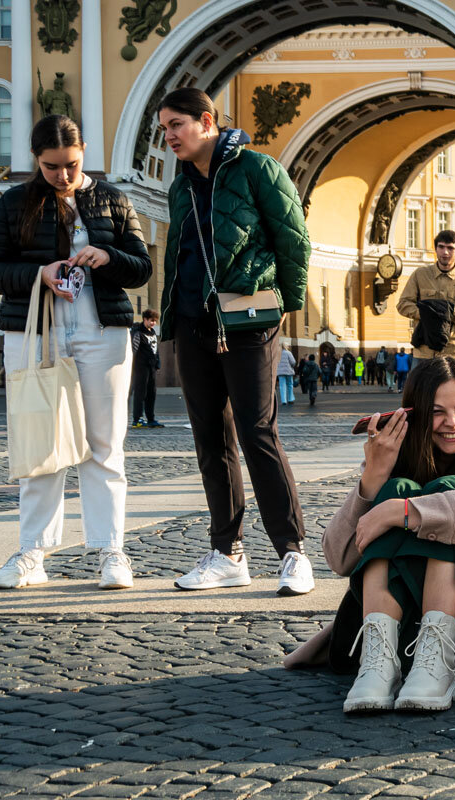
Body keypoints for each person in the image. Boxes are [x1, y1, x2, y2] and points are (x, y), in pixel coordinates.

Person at [283, 357, 455, 714]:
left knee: (447, 489)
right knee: (398, 487)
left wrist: (404, 512)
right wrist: (373, 481)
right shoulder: (396, 458)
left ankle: (438, 663)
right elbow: (340, 557)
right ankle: (377, 665)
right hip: (406, 635)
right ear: (415, 414)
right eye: (437, 412)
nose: (453, 423)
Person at [0, 114, 152, 590]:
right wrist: (41, 273)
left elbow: (142, 269)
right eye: (52, 166)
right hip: (36, 336)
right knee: (41, 448)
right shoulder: (14, 203)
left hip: (104, 334)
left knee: (105, 448)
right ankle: (32, 553)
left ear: (84, 152)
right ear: (36, 159)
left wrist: (108, 257)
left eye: (71, 164)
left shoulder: (114, 199)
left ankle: (111, 551)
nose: (63, 175)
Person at [156, 87, 314, 596]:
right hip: (192, 324)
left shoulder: (257, 169)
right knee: (210, 439)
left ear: (206, 122)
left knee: (257, 432)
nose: (169, 136)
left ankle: (293, 553)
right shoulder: (180, 186)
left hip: (248, 322)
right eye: (164, 128)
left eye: (176, 125)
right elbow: (175, 258)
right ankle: (228, 553)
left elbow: (295, 241)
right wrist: (170, 320)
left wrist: (278, 307)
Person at [397, 230, 455, 366]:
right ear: (435, 249)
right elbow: (403, 305)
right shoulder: (420, 275)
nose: (445, 252)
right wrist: (427, 313)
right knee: (419, 388)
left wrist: (447, 312)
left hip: (454, 352)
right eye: (441, 247)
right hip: (424, 351)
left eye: (450, 248)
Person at [130, 308, 163, 429]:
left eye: (155, 321)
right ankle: (137, 419)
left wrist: (157, 362)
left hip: (152, 367)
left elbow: (156, 349)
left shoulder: (153, 332)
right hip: (140, 367)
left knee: (151, 393)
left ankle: (151, 419)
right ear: (145, 319)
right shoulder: (138, 333)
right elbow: (133, 350)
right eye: (151, 320)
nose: (153, 323)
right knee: (140, 393)